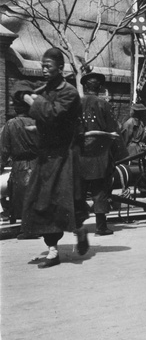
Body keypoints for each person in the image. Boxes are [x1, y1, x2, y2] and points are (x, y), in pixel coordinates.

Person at [19, 47, 89, 268]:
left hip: (64, 155)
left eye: (48, 66)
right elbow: (20, 87)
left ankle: (77, 231)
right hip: (46, 156)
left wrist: (31, 101)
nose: (44, 70)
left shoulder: (69, 93)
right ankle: (53, 249)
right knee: (43, 202)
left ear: (60, 68)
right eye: (42, 66)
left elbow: (52, 114)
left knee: (64, 202)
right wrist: (26, 94)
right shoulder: (45, 88)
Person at [79, 71, 128, 235]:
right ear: (99, 87)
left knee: (79, 190)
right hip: (100, 156)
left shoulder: (76, 103)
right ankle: (101, 227)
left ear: (85, 86)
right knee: (100, 190)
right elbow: (113, 130)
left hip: (80, 155)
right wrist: (121, 156)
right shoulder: (103, 104)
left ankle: (77, 225)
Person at [0, 82, 39, 225]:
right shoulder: (38, 122)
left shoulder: (11, 124)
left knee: (21, 198)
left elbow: (3, 150)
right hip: (38, 164)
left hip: (20, 167)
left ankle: (26, 228)